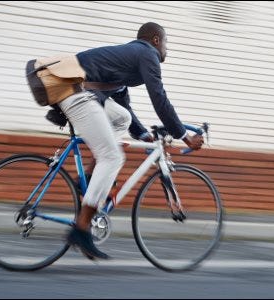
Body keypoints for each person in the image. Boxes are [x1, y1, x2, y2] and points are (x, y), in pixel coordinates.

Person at [30, 22, 204, 259]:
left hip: (81, 92)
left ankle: (92, 177)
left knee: (120, 118)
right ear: (155, 40)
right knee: (112, 157)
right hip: (73, 91)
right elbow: (159, 97)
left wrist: (143, 134)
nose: (167, 49)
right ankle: (81, 229)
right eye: (166, 42)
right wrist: (183, 135)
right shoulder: (147, 54)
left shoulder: (126, 63)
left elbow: (124, 109)